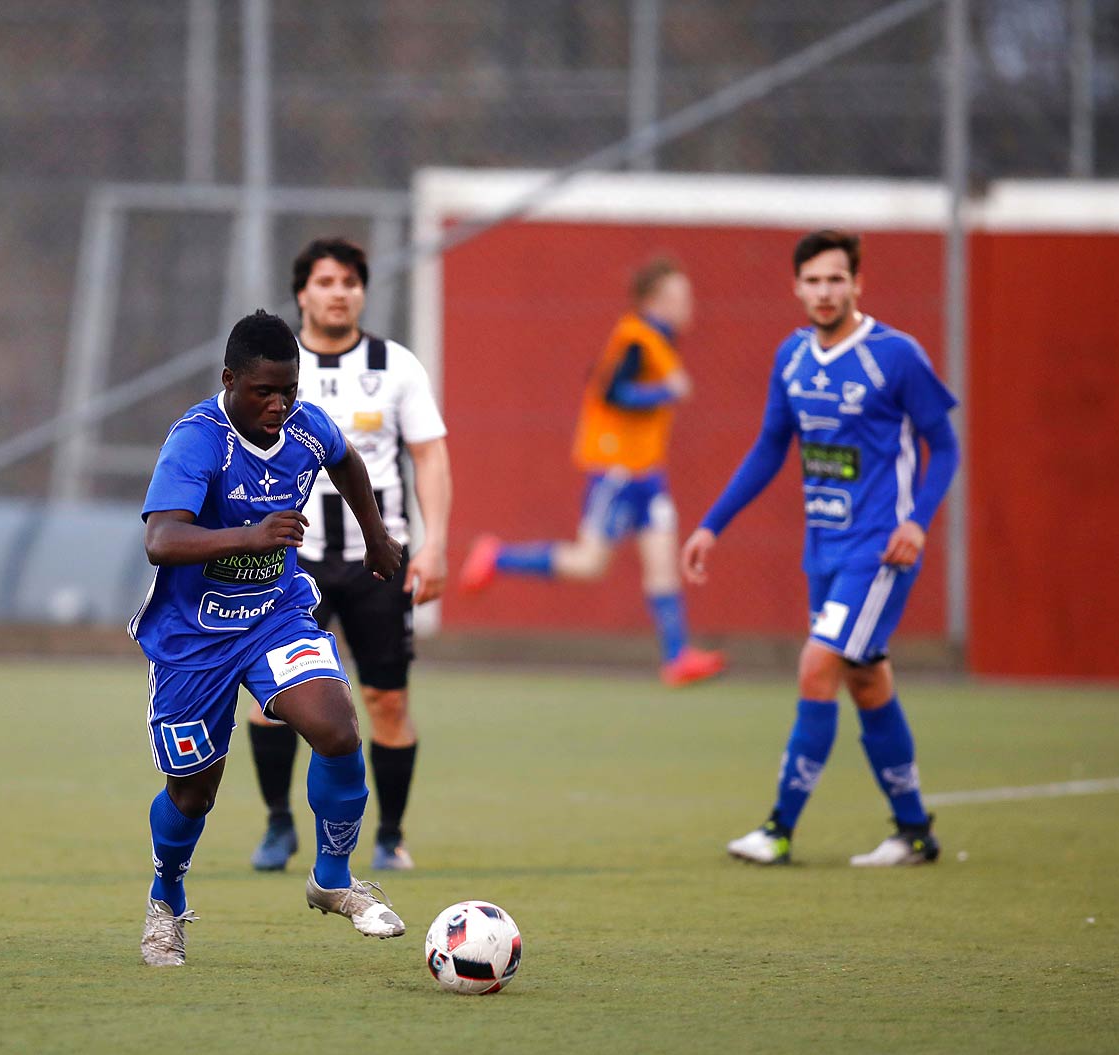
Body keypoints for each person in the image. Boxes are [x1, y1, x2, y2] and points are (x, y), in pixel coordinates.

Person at [131, 309, 407, 966]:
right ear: (229, 380)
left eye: (290, 390)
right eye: (264, 391)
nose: (280, 405)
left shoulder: (305, 429)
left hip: (274, 616)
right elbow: (161, 540)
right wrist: (249, 536)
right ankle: (166, 899)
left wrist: (374, 535)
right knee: (193, 791)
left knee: (337, 730)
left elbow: (347, 462)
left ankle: (333, 881)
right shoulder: (199, 441)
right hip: (193, 637)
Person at [679, 230, 960, 867]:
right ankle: (915, 833)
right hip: (823, 550)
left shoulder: (895, 356)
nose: (825, 291)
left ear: (857, 283)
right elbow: (768, 448)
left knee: (817, 664)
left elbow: (944, 446)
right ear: (796, 288)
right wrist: (711, 525)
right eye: (813, 281)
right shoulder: (793, 356)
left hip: (879, 549)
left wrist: (915, 522)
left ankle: (778, 830)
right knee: (865, 679)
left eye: (837, 279)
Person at [244, 237, 452, 874]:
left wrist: (436, 541)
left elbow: (429, 455)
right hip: (289, 563)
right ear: (302, 292)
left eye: (351, 282)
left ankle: (390, 835)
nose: (340, 292)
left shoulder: (396, 366)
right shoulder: (272, 367)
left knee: (386, 700)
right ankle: (279, 824)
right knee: (272, 699)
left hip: (377, 561)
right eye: (327, 281)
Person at [459, 256, 725, 687]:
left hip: (647, 472)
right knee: (589, 563)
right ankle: (497, 556)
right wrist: (665, 391)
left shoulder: (658, 339)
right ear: (654, 302)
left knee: (662, 563)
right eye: (679, 296)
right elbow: (612, 391)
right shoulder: (637, 337)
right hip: (617, 468)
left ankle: (677, 656)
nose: (689, 304)